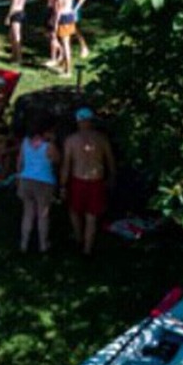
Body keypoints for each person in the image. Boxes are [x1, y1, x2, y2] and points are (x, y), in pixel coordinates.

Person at [60, 108, 115, 256]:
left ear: (78, 121)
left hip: (78, 179)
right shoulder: (101, 139)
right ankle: (87, 249)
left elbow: (67, 164)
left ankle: (79, 239)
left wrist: (63, 185)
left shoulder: (71, 140)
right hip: (96, 179)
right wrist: (112, 177)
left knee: (74, 211)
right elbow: (110, 161)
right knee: (92, 216)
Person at [16, 115, 59, 253]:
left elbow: (20, 163)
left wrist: (19, 177)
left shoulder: (25, 142)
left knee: (27, 213)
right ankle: (43, 244)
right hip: (44, 182)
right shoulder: (49, 146)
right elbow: (57, 160)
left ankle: (24, 244)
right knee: (43, 214)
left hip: (26, 180)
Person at [52, 0, 86, 77]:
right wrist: (75, 9)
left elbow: (58, 9)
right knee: (66, 42)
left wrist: (55, 25)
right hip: (70, 15)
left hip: (63, 16)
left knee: (66, 45)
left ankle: (68, 71)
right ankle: (64, 67)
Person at [5, 0, 28, 65]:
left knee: (16, 36)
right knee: (12, 36)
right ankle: (13, 56)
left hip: (16, 13)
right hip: (21, 11)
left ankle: (18, 58)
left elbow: (13, 5)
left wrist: (8, 17)